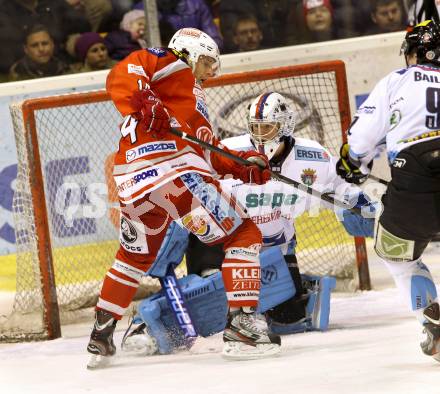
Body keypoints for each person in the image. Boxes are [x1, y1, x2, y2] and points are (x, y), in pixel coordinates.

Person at [120, 92, 375, 356]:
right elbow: (185, 181)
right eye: (256, 128)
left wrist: (356, 205)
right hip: (223, 244)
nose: (261, 134)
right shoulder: (230, 150)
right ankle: (144, 323)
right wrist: (168, 226)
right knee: (211, 295)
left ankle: (293, 292)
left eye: (268, 127)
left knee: (289, 317)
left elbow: (338, 185)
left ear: (285, 126)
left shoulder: (313, 157)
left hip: (276, 251)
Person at [86, 27, 279, 368]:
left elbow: (206, 150)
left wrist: (245, 165)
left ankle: (101, 332)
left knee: (134, 258)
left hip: (135, 185)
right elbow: (124, 72)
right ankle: (242, 327)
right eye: (206, 62)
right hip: (173, 175)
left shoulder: (191, 101)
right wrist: (144, 98)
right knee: (242, 233)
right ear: (187, 53)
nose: (211, 71)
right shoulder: (169, 63)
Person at [336, 19, 440, 362]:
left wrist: (353, 166)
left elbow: (362, 140)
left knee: (396, 253)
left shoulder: (397, 80)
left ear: (412, 53)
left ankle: (434, 326)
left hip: (415, 182)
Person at [133, 0, 223, 49]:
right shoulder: (142, 10)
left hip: (193, 61)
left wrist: (192, 48)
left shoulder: (197, 6)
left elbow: (215, 42)